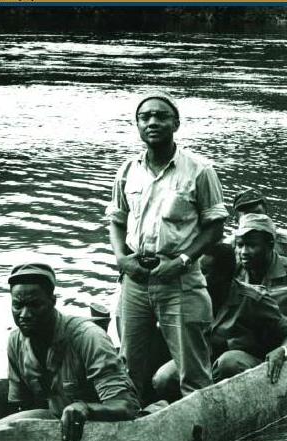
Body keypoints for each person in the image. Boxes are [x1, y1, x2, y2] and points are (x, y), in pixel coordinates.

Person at [106, 91, 228, 405]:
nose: (153, 122)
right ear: (136, 125)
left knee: (194, 374)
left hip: (180, 279)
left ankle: (201, 430)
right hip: (135, 279)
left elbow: (215, 227)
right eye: (144, 117)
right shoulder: (127, 170)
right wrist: (122, 259)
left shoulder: (199, 170)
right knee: (128, 366)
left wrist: (184, 260)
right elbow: (117, 220)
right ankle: (133, 425)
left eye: (161, 116)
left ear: (176, 123)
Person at [0, 263, 140, 441]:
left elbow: (127, 407)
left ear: (53, 302)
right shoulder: (15, 341)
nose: (25, 314)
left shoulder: (88, 337)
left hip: (103, 424)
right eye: (17, 305)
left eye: (35, 305)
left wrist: (85, 408)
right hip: (56, 420)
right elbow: (22, 405)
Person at [152, 243, 287, 401]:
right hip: (204, 360)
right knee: (163, 378)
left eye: (205, 272)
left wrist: (282, 350)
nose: (197, 277)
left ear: (224, 275)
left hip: (242, 365)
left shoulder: (254, 300)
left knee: (228, 363)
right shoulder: (191, 296)